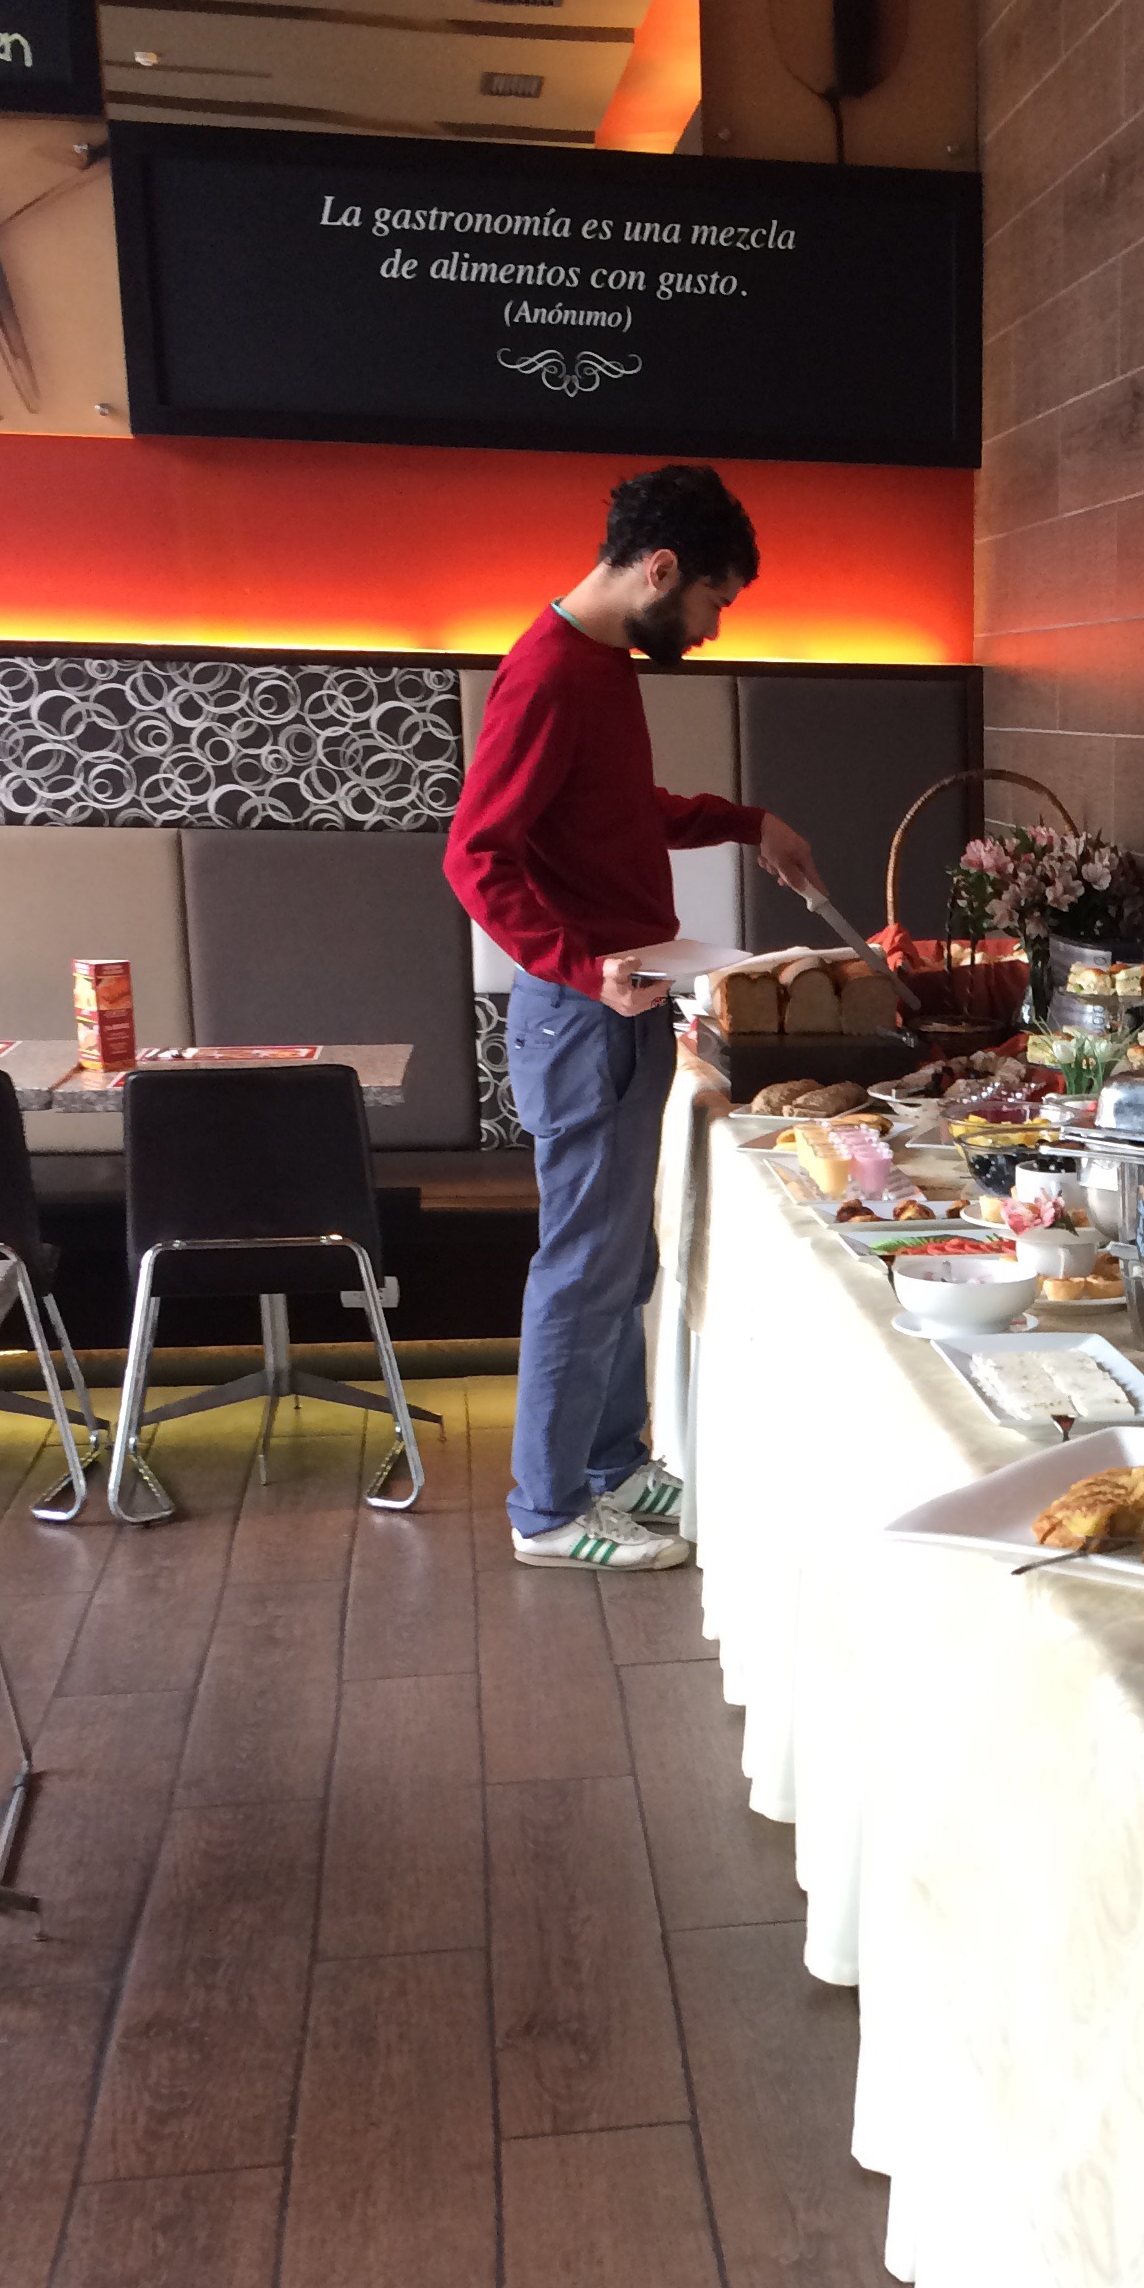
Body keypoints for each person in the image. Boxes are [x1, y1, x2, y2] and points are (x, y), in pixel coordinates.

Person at [447, 462, 822, 1571]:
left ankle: (611, 1464)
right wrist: (579, 966)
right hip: (581, 1013)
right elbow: (474, 854)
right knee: (584, 1262)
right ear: (661, 569)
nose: (711, 628)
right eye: (713, 599)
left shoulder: (600, 666)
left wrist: (747, 821)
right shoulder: (550, 672)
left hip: (614, 1002)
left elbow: (616, 811)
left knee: (622, 1259)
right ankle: (548, 1510)